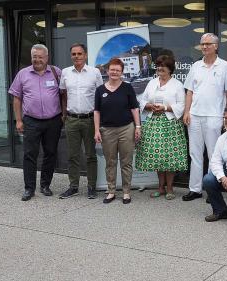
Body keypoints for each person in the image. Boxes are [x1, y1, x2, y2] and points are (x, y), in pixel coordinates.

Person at [182, 33, 227, 201]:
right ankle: (195, 189)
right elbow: (189, 91)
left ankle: (212, 191)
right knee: (195, 154)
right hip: (195, 116)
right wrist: (186, 111)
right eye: (202, 44)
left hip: (215, 116)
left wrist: (226, 117)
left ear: (216, 46)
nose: (204, 47)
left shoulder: (225, 66)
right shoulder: (196, 66)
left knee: (214, 155)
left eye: (208, 44)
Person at [8, 44, 63, 201]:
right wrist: (18, 120)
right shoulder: (23, 74)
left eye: (40, 56)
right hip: (31, 121)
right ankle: (29, 188)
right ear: (31, 57)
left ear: (46, 58)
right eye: (34, 56)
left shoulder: (56, 72)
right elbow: (16, 98)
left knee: (50, 153)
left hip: (53, 121)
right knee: (29, 155)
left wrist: (63, 115)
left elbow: (64, 95)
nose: (37, 59)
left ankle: (45, 185)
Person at [135, 55, 188, 200]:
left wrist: (165, 107)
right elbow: (142, 100)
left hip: (170, 124)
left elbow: (182, 106)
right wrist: (149, 106)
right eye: (158, 65)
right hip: (153, 122)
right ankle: (161, 187)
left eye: (162, 66)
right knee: (158, 157)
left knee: (169, 157)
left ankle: (170, 188)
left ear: (170, 69)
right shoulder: (152, 83)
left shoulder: (177, 84)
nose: (159, 68)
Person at [58, 43, 103, 200]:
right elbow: (63, 95)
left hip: (89, 120)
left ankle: (91, 187)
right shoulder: (65, 73)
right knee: (72, 155)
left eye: (79, 54)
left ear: (85, 55)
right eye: (74, 54)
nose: (76, 56)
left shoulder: (94, 72)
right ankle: (73, 186)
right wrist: (64, 114)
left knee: (90, 155)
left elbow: (100, 95)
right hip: (71, 119)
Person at [93, 58, 140, 204]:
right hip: (107, 130)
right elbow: (96, 111)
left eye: (117, 70)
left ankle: (126, 192)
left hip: (126, 128)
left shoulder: (127, 88)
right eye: (112, 69)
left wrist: (138, 127)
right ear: (107, 71)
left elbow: (134, 108)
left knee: (126, 162)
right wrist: (96, 130)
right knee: (110, 162)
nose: (114, 72)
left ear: (122, 72)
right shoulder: (100, 90)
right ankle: (111, 191)